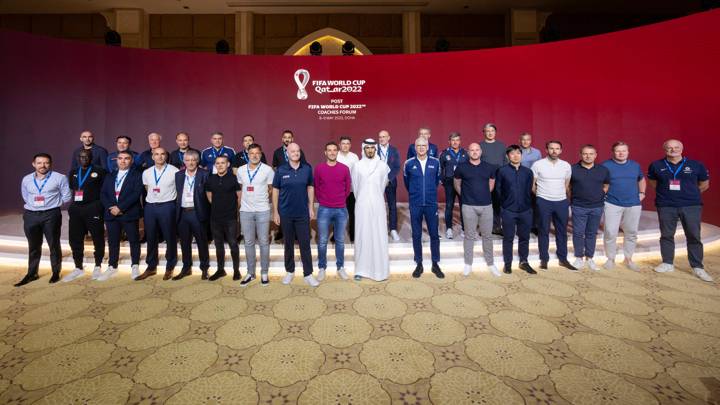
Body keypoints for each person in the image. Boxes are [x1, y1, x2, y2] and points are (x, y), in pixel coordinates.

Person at [648, 139, 712, 282]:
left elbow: (704, 184)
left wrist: (689, 195)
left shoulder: (696, 165)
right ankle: (667, 263)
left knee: (694, 236)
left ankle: (697, 267)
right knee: (666, 235)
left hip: (691, 206)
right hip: (666, 205)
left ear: (681, 149)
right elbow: (654, 184)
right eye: (669, 148)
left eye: (676, 147)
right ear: (664, 150)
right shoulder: (656, 165)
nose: (673, 150)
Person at [16, 153, 72, 286]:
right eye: (39, 163)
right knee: (33, 246)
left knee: (54, 245)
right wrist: (35, 206)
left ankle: (55, 272)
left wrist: (52, 205)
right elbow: (25, 195)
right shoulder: (26, 179)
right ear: (33, 164)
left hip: (51, 215)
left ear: (50, 164)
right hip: (31, 215)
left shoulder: (60, 178)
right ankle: (32, 273)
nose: (43, 165)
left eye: (46, 163)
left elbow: (67, 196)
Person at [272, 143, 319, 286]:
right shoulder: (280, 170)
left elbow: (310, 187)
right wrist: (275, 211)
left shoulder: (307, 168)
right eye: (292, 151)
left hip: (302, 213)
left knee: (305, 244)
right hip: (285, 213)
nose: (296, 153)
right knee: (288, 244)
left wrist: (311, 207)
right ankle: (290, 271)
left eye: (298, 151)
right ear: (287, 153)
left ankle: (308, 273)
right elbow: (275, 191)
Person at [531, 140, 577, 270]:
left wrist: (562, 197)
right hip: (543, 201)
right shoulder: (538, 164)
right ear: (546, 150)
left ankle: (563, 259)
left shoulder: (566, 166)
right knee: (543, 231)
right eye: (551, 148)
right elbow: (532, 185)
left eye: (557, 148)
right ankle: (544, 259)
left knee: (561, 232)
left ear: (561, 150)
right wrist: (540, 196)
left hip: (561, 202)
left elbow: (566, 184)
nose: (554, 151)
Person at [453, 143, 498, 276]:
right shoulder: (461, 167)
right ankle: (468, 264)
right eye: (471, 150)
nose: (474, 152)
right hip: (468, 206)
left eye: (477, 150)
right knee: (469, 236)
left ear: (481, 151)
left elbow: (491, 183)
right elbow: (457, 183)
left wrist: (483, 194)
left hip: (486, 206)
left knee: (487, 236)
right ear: (468, 152)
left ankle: (490, 263)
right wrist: (466, 195)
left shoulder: (489, 167)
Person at [62, 149, 107, 282]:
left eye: (86, 157)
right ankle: (78, 267)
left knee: (97, 237)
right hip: (76, 208)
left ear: (91, 157)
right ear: (77, 158)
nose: (84, 159)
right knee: (74, 238)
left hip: (93, 207)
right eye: (81, 157)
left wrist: (100, 207)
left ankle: (98, 265)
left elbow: (105, 190)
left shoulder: (100, 171)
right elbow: (73, 188)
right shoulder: (73, 173)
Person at [601, 142, 646, 271]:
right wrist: (602, 195)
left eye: (624, 151)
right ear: (613, 152)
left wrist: (642, 193)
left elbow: (641, 179)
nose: (621, 153)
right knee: (610, 232)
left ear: (628, 151)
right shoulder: (606, 165)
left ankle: (628, 259)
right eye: (618, 151)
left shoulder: (635, 165)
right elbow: (600, 182)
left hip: (633, 204)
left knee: (631, 232)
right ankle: (610, 258)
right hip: (612, 203)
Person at [99, 151, 143, 281]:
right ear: (116, 160)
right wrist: (111, 207)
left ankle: (135, 265)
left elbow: (136, 194)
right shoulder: (110, 176)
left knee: (134, 241)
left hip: (128, 213)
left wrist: (120, 207)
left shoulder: (137, 175)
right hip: (111, 214)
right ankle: (112, 266)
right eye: (120, 158)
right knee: (113, 242)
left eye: (126, 158)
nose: (123, 161)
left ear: (132, 161)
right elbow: (103, 194)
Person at [136, 148, 179, 281]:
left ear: (166, 156)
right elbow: (147, 189)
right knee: (151, 237)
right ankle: (151, 266)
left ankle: (170, 265)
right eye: (156, 154)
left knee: (169, 236)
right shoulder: (147, 172)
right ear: (152, 157)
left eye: (162, 154)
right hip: (151, 207)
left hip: (167, 206)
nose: (160, 157)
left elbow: (178, 189)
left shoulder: (174, 171)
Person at [404, 137, 444, 278]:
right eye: (418, 145)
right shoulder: (408, 164)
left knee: (434, 234)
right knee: (416, 235)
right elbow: (407, 182)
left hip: (431, 204)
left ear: (428, 147)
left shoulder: (436, 163)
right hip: (415, 204)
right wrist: (416, 194)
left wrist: (428, 193)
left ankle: (435, 264)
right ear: (415, 147)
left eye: (424, 145)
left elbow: (436, 181)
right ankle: (419, 263)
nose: (421, 148)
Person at [352, 139, 391, 281]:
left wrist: (373, 198)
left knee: (378, 235)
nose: (369, 150)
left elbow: (382, 187)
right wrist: (363, 199)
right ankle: (360, 270)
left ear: (375, 149)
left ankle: (379, 270)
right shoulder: (357, 166)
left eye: (372, 148)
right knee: (362, 236)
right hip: (362, 205)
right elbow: (356, 188)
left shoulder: (382, 166)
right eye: (367, 148)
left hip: (377, 204)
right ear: (363, 149)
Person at [495, 145, 537, 275]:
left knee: (524, 237)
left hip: (525, 210)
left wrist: (528, 205)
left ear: (521, 155)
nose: (515, 156)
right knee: (508, 237)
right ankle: (508, 264)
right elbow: (498, 190)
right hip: (509, 210)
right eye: (512, 153)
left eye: (518, 153)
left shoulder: (528, 172)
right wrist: (505, 205)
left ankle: (524, 261)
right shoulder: (502, 171)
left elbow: (531, 190)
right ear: (508, 156)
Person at [237, 143, 275, 286]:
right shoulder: (240, 170)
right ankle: (250, 272)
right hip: (246, 211)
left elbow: (271, 188)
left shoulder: (267, 170)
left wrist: (263, 195)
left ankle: (264, 272)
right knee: (248, 242)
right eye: (251, 153)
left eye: (257, 153)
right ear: (247, 154)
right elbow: (241, 189)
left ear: (261, 154)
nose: (254, 156)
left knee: (264, 242)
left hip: (262, 210)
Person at [314, 142, 352, 281]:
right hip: (324, 208)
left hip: (341, 209)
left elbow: (347, 189)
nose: (331, 152)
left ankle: (340, 267)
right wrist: (323, 200)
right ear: (325, 152)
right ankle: (322, 268)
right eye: (329, 150)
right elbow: (316, 187)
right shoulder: (319, 168)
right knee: (323, 240)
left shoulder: (344, 169)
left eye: (334, 150)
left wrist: (339, 199)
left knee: (340, 240)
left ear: (337, 152)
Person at [569, 145, 609, 271]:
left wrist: (599, 195)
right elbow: (568, 187)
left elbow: (606, 185)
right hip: (578, 206)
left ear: (595, 155)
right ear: (580, 155)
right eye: (585, 154)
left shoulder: (603, 169)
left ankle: (590, 258)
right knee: (578, 233)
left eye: (591, 154)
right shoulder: (572, 169)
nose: (588, 156)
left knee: (592, 233)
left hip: (597, 207)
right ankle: (579, 258)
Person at [173, 150, 211, 280]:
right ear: (184, 162)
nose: (190, 163)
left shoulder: (205, 174)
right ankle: (186, 267)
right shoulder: (178, 175)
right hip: (182, 213)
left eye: (193, 160)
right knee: (184, 243)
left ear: (197, 161)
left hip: (197, 212)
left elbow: (209, 195)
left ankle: (204, 268)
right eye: (187, 160)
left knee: (202, 242)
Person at [204, 155, 242, 281]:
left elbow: (239, 197)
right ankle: (221, 270)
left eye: (223, 163)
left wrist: (232, 211)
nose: (220, 165)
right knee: (218, 245)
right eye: (218, 163)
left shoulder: (234, 179)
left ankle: (236, 270)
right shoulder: (211, 179)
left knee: (233, 243)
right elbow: (209, 197)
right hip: (215, 218)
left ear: (228, 164)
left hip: (230, 218)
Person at [479, 123, 508, 235]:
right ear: (484, 132)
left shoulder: (501, 145)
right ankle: (484, 228)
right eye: (487, 131)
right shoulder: (480, 146)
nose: (490, 133)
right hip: (484, 180)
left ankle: (497, 227)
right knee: (485, 205)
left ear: (495, 132)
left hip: (499, 180)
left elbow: (505, 162)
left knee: (498, 204)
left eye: (492, 131)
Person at [439, 132, 467, 239]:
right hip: (449, 183)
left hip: (462, 183)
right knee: (449, 206)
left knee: (463, 206)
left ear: (460, 141)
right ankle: (449, 229)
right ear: (449, 142)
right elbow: (440, 168)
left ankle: (465, 229)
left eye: (457, 140)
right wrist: (442, 180)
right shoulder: (444, 153)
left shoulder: (465, 153)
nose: (455, 142)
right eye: (453, 140)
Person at [377, 130, 401, 241]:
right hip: (376, 182)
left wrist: (388, 178)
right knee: (377, 206)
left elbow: (396, 167)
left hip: (390, 182)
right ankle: (378, 230)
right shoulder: (373, 149)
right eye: (380, 137)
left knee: (392, 206)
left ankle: (393, 229)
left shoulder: (394, 150)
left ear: (389, 138)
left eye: (384, 136)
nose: (382, 139)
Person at [336, 136, 359, 243]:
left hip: (351, 190)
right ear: (340, 145)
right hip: (338, 191)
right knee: (338, 213)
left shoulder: (354, 157)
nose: (345, 145)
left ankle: (353, 234)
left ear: (350, 145)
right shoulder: (335, 156)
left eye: (347, 143)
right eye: (343, 143)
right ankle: (336, 234)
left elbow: (358, 174)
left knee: (352, 213)